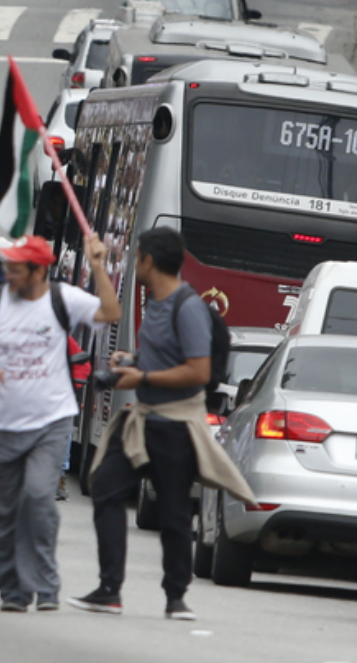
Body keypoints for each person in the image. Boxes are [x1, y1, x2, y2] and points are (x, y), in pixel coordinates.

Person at [71, 227, 251, 622]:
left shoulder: (187, 306)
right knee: (105, 487)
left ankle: (176, 597)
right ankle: (109, 589)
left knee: (172, 511)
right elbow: (166, 357)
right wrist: (133, 360)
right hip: (142, 419)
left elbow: (198, 371)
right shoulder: (155, 302)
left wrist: (145, 379)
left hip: (175, 425)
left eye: (138, 255)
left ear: (149, 260)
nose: (136, 261)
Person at [0, 234, 118, 612]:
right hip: (0, 424)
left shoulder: (61, 298)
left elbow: (110, 312)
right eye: (7, 265)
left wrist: (98, 266)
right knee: (1, 509)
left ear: (39, 271)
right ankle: (14, 591)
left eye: (16, 267)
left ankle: (45, 583)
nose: (8, 273)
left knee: (38, 497)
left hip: (50, 421)